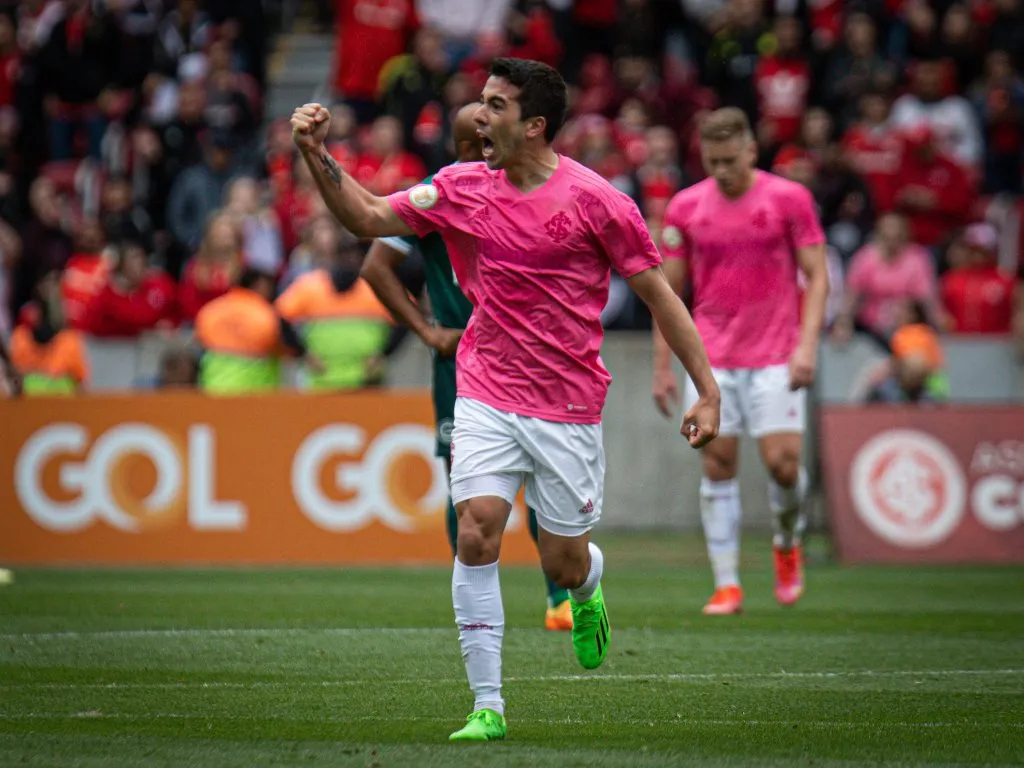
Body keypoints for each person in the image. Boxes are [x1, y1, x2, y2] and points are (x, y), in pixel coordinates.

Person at [291, 57, 721, 742]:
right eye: (481, 103)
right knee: (476, 528)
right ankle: (487, 703)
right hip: (485, 388)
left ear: (535, 125)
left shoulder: (599, 202)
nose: (479, 117)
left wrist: (708, 390)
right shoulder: (459, 187)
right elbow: (368, 217)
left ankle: (588, 586)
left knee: (561, 560)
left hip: (566, 404)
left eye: (494, 105)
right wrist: (316, 155)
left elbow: (660, 296)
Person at [361, 103, 575, 632]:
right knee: (469, 490)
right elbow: (375, 265)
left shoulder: (528, 187)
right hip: (462, 363)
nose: (495, 137)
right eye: (484, 133)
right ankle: (483, 604)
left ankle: (560, 597)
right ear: (468, 146)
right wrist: (428, 331)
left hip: (527, 361)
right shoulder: (438, 193)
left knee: (542, 483)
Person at [652, 107, 829, 616]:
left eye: (731, 159)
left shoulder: (789, 199)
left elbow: (816, 276)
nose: (723, 170)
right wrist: (664, 366)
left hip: (776, 352)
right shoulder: (686, 207)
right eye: (713, 161)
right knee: (718, 462)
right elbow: (668, 293)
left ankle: (786, 541)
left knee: (783, 464)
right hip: (712, 359)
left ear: (752, 150)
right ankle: (727, 583)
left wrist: (807, 345)